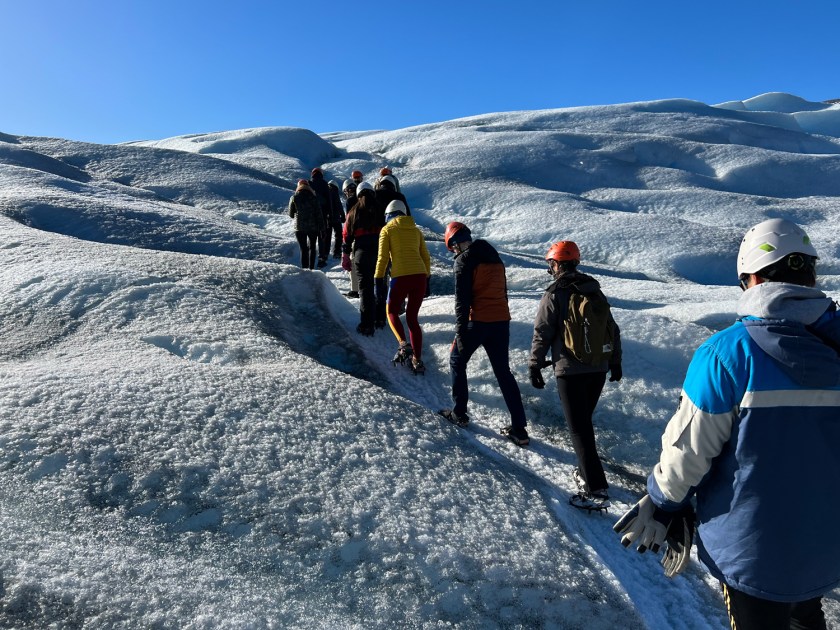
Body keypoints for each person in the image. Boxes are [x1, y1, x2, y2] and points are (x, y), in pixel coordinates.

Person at [614, 218, 840, 630]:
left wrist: (664, 501)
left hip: (752, 553)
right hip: (823, 544)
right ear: (809, 274)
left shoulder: (727, 354)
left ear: (750, 279)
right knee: (806, 614)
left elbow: (690, 450)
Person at [529, 240, 622, 510]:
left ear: (557, 263)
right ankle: (586, 473)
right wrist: (615, 362)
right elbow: (612, 329)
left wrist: (535, 364)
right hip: (598, 368)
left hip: (569, 371)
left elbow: (542, 330)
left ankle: (596, 490)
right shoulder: (593, 290)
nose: (550, 269)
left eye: (551, 264)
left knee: (579, 429)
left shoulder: (555, 292)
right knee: (584, 424)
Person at [440, 222, 530, 446]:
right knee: (503, 372)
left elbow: (462, 300)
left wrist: (460, 332)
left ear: (454, 243)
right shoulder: (493, 254)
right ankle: (520, 430)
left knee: (456, 361)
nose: (454, 252)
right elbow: (503, 290)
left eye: (452, 248)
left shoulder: (463, 260)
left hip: (477, 321)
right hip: (501, 321)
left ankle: (459, 414)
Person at [374, 200, 430, 374]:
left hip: (400, 277)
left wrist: (378, 280)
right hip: (419, 276)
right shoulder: (416, 230)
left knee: (391, 311)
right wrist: (427, 279)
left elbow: (382, 258)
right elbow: (426, 257)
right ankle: (417, 361)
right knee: (413, 319)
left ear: (388, 215)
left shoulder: (387, 230)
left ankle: (403, 344)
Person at [343, 181, 384, 335]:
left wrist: (345, 254)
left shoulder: (353, 212)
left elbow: (346, 235)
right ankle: (380, 319)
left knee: (365, 289)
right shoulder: (381, 210)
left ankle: (367, 325)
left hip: (361, 253)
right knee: (380, 285)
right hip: (380, 253)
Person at [288, 179, 325, 270]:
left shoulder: (294, 197)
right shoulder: (314, 197)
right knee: (312, 247)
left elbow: (291, 214)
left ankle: (305, 270)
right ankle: (311, 268)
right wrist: (322, 229)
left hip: (299, 228)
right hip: (313, 227)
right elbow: (319, 214)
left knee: (303, 249)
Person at [309, 167, 333, 267]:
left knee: (312, 237)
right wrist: (330, 215)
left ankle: (310, 260)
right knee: (322, 236)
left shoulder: (308, 183)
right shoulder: (324, 184)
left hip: (311, 215)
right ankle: (321, 259)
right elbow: (329, 200)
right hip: (322, 214)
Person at [341, 179, 360, 298]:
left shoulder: (350, 201)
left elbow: (349, 220)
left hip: (355, 235)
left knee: (353, 262)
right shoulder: (365, 198)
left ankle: (355, 290)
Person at [327, 180, 346, 259]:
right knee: (338, 235)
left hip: (327, 218)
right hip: (336, 218)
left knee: (327, 236)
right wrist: (343, 215)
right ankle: (337, 252)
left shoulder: (324, 192)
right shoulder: (334, 192)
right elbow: (338, 204)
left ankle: (325, 253)